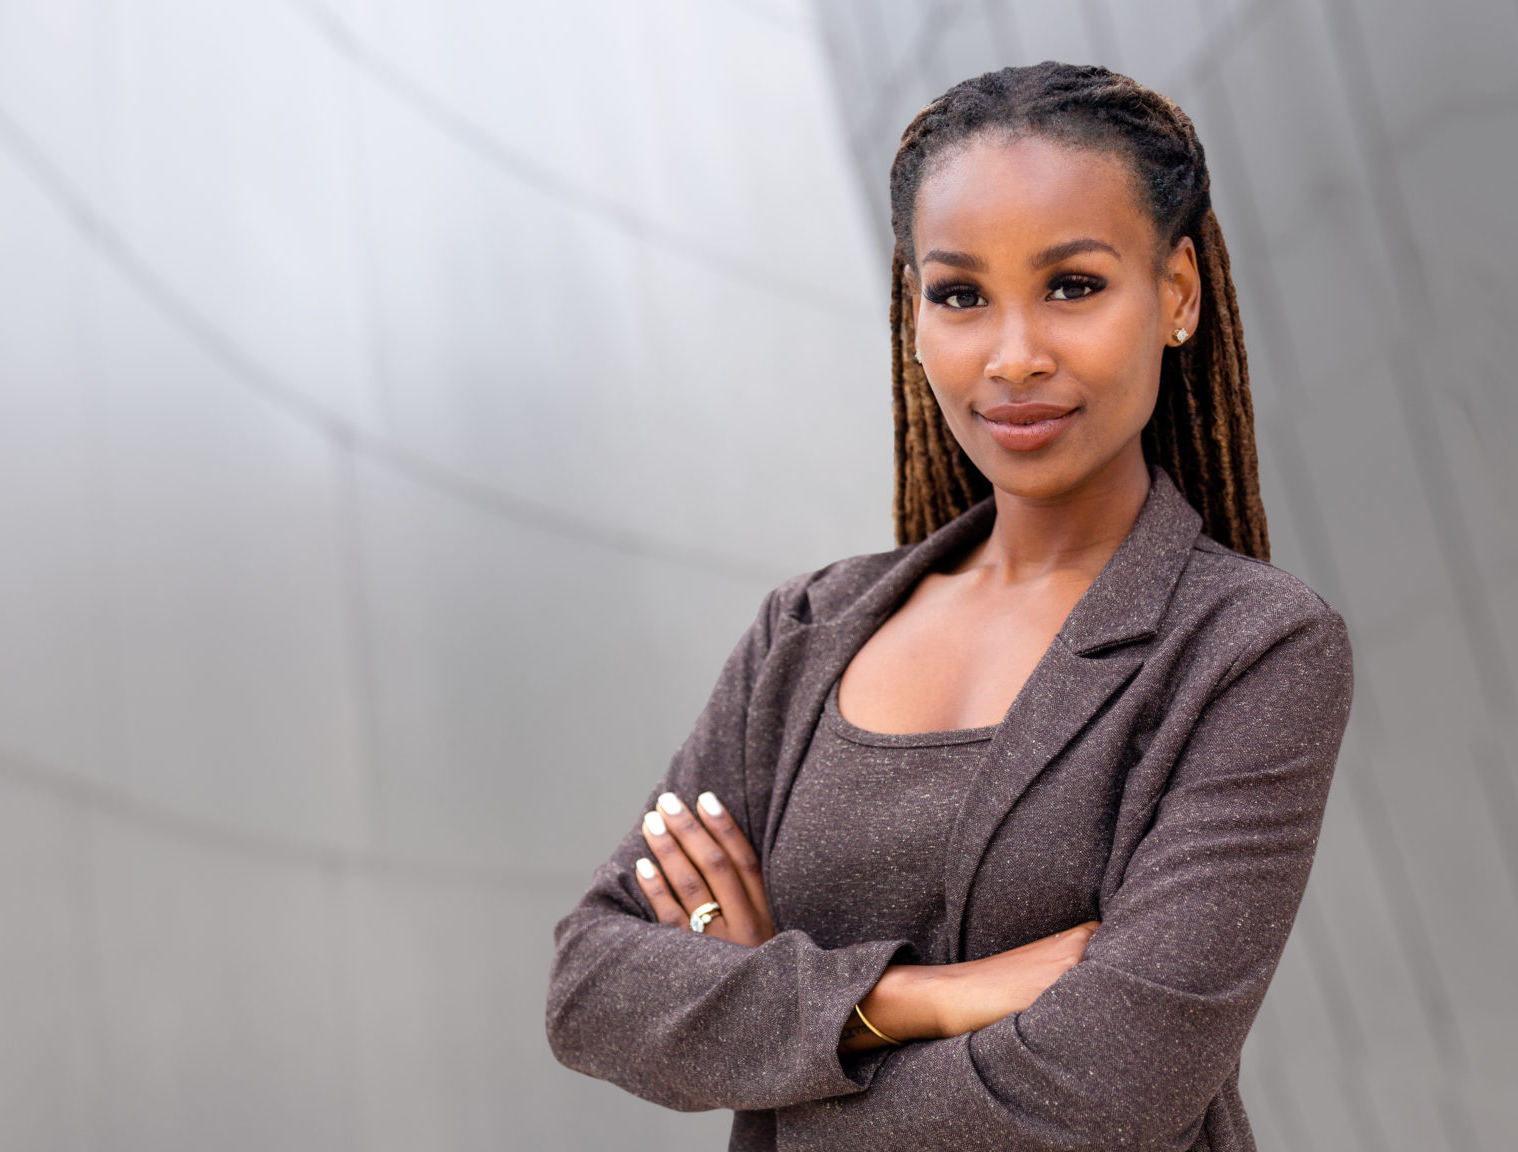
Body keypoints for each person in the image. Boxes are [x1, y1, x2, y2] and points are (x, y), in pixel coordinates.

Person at [544, 62, 1354, 1152]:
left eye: (1071, 285)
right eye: (960, 295)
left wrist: (769, 1034)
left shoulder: (1250, 649)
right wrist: (926, 997)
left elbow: (1111, 1083)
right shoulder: (808, 631)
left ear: (1173, 296)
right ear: (912, 315)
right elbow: (592, 985)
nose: (1012, 357)